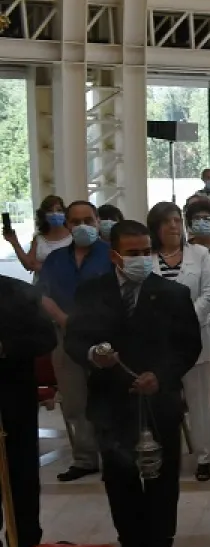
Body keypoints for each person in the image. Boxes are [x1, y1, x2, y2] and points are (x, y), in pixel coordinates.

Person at [66, 219, 201, 547]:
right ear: (115, 255)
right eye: (133, 253)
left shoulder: (174, 293)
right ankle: (132, 544)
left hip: (159, 400)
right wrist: (95, 354)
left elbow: (188, 345)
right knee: (119, 475)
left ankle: (160, 546)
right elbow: (75, 340)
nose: (141, 258)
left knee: (161, 475)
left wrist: (161, 375)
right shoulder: (91, 292)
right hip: (111, 400)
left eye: (146, 252)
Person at [36, 200, 113, 481]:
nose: (82, 226)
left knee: (107, 397)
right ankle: (84, 458)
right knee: (75, 401)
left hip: (105, 336)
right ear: (68, 225)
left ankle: (113, 457)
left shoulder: (110, 254)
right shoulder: (56, 259)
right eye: (76, 221)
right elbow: (41, 294)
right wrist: (64, 318)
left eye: (88, 221)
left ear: (97, 222)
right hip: (66, 336)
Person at [147, 201, 210, 482]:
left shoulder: (200, 253)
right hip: (158, 343)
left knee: (199, 402)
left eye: (177, 220)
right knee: (163, 403)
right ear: (156, 227)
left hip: (197, 338)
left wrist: (184, 323)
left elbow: (209, 295)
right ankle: (165, 453)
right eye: (167, 222)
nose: (174, 226)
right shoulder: (148, 257)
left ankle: (203, 457)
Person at [0, 274, 55, 547]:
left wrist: (6, 348)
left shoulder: (16, 291)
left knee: (21, 476)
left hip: (14, 401)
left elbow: (46, 338)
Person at [5, 195, 70, 277]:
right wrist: (14, 242)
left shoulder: (72, 237)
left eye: (59, 210)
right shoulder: (39, 239)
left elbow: (75, 266)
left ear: (65, 213)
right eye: (50, 211)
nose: (55, 213)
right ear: (44, 215)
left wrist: (42, 266)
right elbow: (29, 265)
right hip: (40, 287)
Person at [184, 195, 210, 276]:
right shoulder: (184, 249)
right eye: (197, 218)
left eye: (206, 218)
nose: (201, 222)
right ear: (190, 222)